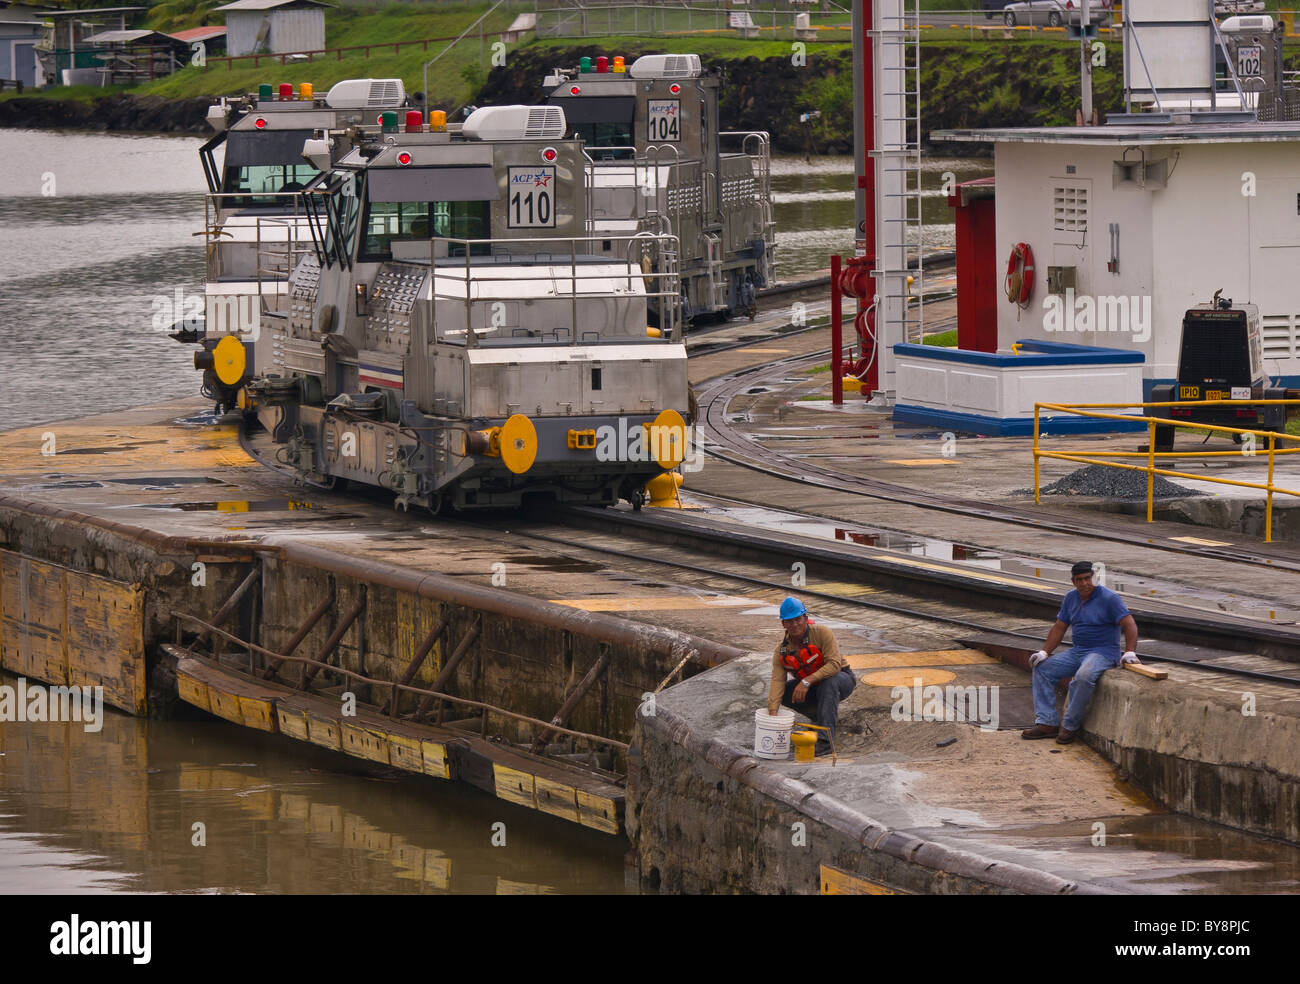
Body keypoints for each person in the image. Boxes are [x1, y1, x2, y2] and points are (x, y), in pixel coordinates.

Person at [1021, 561, 1140, 745]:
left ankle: (1069, 726)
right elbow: (1060, 627)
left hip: (1103, 652)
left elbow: (1129, 624)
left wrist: (1130, 652)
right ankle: (1047, 723)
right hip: (1078, 651)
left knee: (1083, 676)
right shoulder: (1071, 598)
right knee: (1042, 668)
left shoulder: (1110, 598)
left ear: (1094, 578)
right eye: (1079, 580)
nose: (1084, 583)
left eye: (1087, 578)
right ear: (1073, 581)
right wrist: (1044, 652)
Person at [767, 596, 857, 755]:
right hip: (815, 687)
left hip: (841, 679)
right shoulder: (781, 650)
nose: (795, 625)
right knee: (785, 692)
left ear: (805, 618)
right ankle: (821, 715)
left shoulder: (822, 633)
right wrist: (772, 717)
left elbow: (835, 665)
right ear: (783, 624)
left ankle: (825, 740)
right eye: (789, 621)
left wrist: (806, 681)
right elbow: (777, 681)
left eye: (798, 619)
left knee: (829, 683)